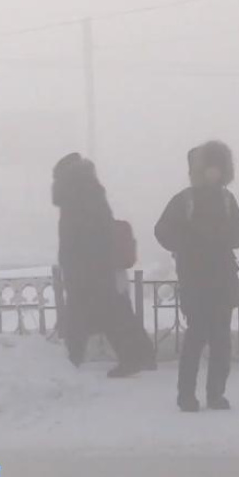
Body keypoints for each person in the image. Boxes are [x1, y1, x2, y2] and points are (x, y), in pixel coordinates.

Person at [155, 141, 239, 412]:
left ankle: (216, 394)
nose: (213, 173)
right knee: (196, 338)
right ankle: (186, 395)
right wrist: (189, 244)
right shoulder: (185, 200)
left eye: (218, 168)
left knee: (220, 340)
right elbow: (162, 231)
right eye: (209, 168)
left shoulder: (228, 200)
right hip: (195, 278)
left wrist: (219, 240)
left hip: (221, 277)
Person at [52, 153, 156, 378]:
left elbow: (82, 235)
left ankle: (72, 361)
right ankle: (139, 354)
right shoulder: (88, 192)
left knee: (86, 316)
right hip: (94, 267)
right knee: (111, 313)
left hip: (87, 267)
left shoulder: (78, 195)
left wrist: (79, 264)